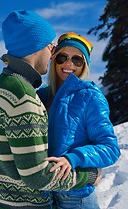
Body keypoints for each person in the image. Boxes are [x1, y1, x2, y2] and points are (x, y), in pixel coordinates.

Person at [0, 11, 100, 209]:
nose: (52, 53)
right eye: (52, 47)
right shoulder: (24, 97)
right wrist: (90, 176)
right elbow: (37, 176)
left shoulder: (1, 87)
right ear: (36, 47)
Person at [37, 31, 121, 208]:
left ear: (84, 65)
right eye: (63, 57)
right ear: (54, 59)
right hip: (44, 196)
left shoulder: (90, 96)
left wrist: (73, 158)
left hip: (76, 198)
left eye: (77, 59)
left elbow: (110, 148)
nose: (69, 64)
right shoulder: (41, 95)